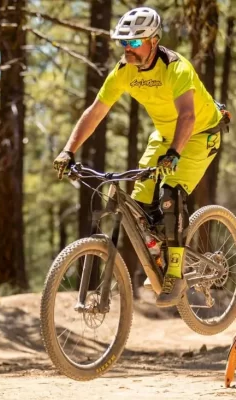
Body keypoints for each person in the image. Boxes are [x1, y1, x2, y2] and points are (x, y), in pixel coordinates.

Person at [53, 7, 228, 307]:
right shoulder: (124, 71)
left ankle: (175, 272)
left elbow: (187, 116)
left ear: (154, 41)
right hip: (165, 136)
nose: (127, 48)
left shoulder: (176, 68)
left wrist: (174, 154)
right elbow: (96, 111)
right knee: (140, 202)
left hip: (200, 134)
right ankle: (159, 255)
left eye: (134, 42)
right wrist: (68, 150)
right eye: (124, 42)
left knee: (170, 194)